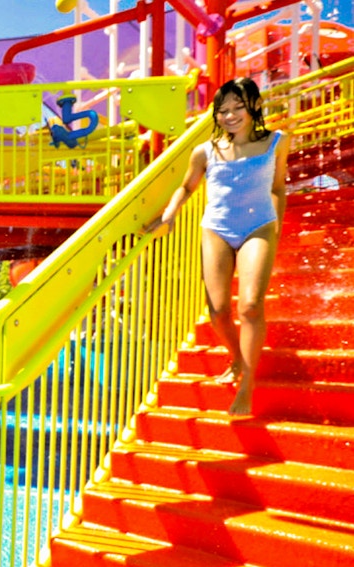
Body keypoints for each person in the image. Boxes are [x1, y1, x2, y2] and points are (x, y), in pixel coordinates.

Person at [143, 77, 289, 416]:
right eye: (223, 110)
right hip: (217, 230)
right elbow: (186, 187)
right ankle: (237, 358)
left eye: (238, 107)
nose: (230, 115)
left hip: (259, 227)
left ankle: (247, 383)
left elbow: (278, 187)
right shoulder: (205, 151)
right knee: (218, 311)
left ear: (255, 106)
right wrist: (169, 215)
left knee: (250, 306)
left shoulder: (277, 142)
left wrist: (277, 226)